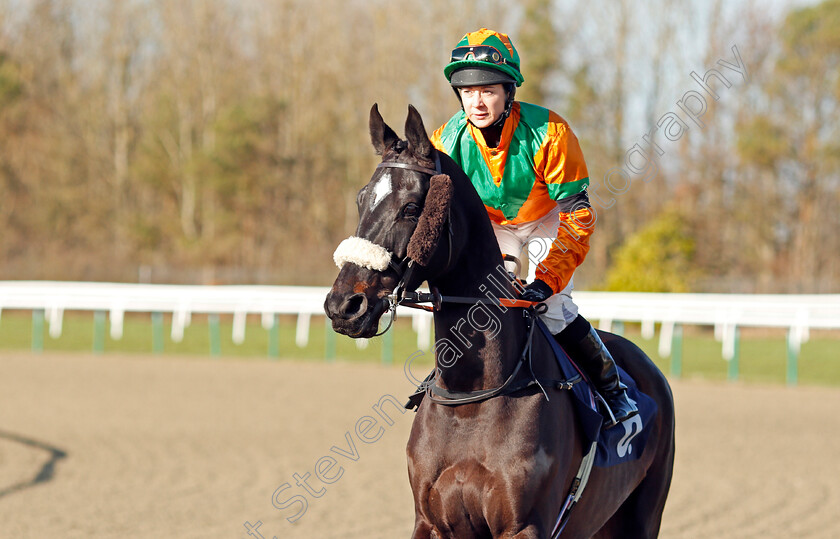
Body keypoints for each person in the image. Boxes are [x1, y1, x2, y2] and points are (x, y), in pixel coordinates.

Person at [428, 28, 637, 426]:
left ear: (509, 92)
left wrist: (547, 279)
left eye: (488, 91)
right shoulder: (446, 140)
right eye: (468, 92)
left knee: (551, 306)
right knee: (485, 300)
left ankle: (613, 389)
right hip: (495, 226)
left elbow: (577, 217)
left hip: (549, 219)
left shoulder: (550, 133)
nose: (477, 101)